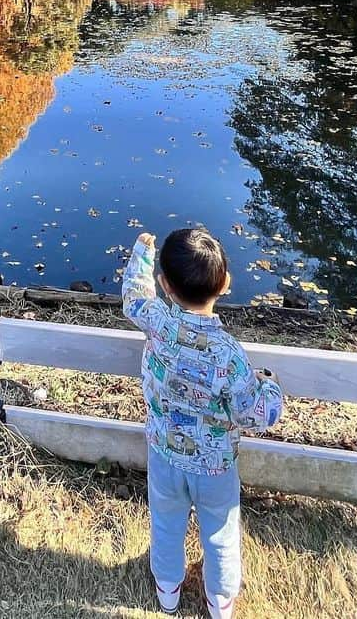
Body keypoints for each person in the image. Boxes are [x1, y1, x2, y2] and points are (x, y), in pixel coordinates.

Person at [122, 227, 284, 616]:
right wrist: (272, 387)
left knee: (166, 521)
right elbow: (258, 414)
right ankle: (221, 600)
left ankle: (167, 590)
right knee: (220, 532)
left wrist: (143, 253)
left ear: (165, 284)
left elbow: (133, 298)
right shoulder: (228, 353)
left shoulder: (157, 321)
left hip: (164, 452)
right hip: (215, 466)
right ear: (225, 283)